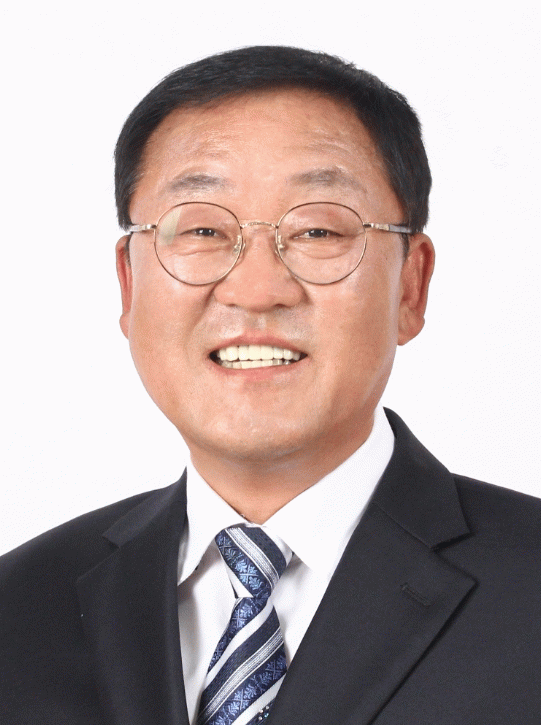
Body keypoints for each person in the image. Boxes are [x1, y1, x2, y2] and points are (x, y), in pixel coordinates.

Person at [1, 46, 540, 725]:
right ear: (130, 285)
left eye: (317, 230)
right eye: (202, 228)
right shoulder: (18, 608)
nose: (257, 288)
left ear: (410, 285)